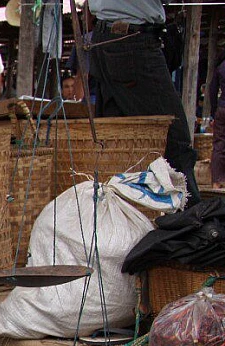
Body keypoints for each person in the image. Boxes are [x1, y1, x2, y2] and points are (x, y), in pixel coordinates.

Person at [86, 0, 200, 204]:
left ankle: (123, 216)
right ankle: (191, 221)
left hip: (109, 34)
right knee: (173, 135)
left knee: (119, 139)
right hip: (130, 40)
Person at [209, 44, 225, 189]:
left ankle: (216, 182)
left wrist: (213, 113)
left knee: (220, 144)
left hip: (223, 108)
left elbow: (212, 90)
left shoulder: (222, 65)